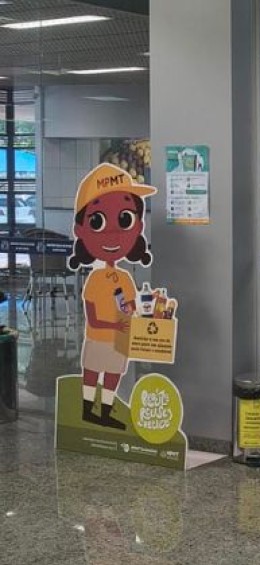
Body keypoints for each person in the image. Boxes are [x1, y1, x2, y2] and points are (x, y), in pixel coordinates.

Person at [67, 163, 157, 429]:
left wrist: (147, 308)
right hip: (99, 339)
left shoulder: (125, 278)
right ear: (81, 230)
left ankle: (105, 412)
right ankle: (88, 411)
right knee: (92, 372)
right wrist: (115, 325)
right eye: (97, 221)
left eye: (125, 219)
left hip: (120, 340)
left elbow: (129, 307)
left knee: (113, 375)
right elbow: (93, 318)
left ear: (138, 226)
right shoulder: (95, 280)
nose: (113, 233)